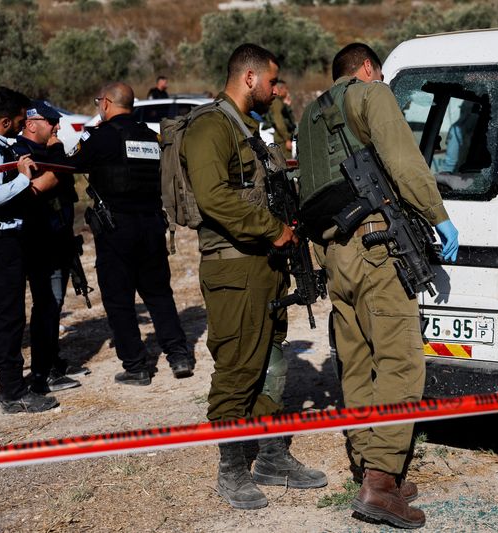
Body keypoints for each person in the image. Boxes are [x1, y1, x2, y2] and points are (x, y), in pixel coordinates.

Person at [296, 43, 459, 529]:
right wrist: (439, 216)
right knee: (399, 360)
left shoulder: (309, 115)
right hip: (375, 248)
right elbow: (405, 161)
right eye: (379, 73)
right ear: (367, 68)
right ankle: (382, 484)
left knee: (358, 361)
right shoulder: (371, 94)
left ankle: (369, 461)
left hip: (334, 252)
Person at [180, 43, 326, 511]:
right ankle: (232, 469)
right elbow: (213, 197)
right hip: (233, 268)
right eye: (270, 81)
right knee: (239, 367)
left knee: (272, 361)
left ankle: (271, 455)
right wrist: (273, 229)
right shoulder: (209, 127)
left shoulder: (249, 130)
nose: (275, 88)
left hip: (264, 265)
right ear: (249, 78)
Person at [68, 82, 193, 386]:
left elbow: (71, 164)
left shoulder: (99, 138)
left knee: (119, 299)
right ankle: (178, 355)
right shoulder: (150, 137)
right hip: (151, 225)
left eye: (100, 102)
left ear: (107, 103)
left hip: (116, 229)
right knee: (159, 293)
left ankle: (136, 366)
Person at [12, 100, 89, 394]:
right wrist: (58, 154)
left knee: (53, 306)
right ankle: (43, 374)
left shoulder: (47, 149)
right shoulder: (22, 152)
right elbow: (49, 179)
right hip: (38, 244)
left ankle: (52, 361)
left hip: (59, 239)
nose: (57, 127)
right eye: (51, 122)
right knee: (47, 306)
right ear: (32, 124)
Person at [0, 87, 59, 413]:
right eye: (20, 121)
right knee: (9, 318)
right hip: (3, 242)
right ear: (6, 121)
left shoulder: (4, 146)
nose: (23, 127)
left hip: (10, 240)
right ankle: (13, 391)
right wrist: (23, 179)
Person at [263, 80, 296, 157]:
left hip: (282, 140)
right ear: (280, 89)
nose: (287, 91)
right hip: (282, 141)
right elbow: (279, 122)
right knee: (285, 164)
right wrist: (286, 139)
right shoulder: (277, 103)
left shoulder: (280, 102)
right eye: (286, 88)